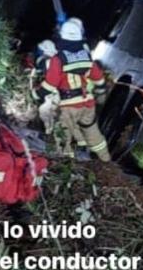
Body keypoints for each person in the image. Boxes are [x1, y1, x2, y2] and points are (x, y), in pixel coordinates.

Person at [32, 18, 111, 162]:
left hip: (69, 105)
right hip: (88, 103)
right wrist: (100, 92)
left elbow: (50, 84)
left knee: (63, 135)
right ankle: (105, 160)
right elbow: (98, 78)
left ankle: (67, 164)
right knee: (92, 132)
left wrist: (37, 94)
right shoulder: (86, 55)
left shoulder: (58, 59)